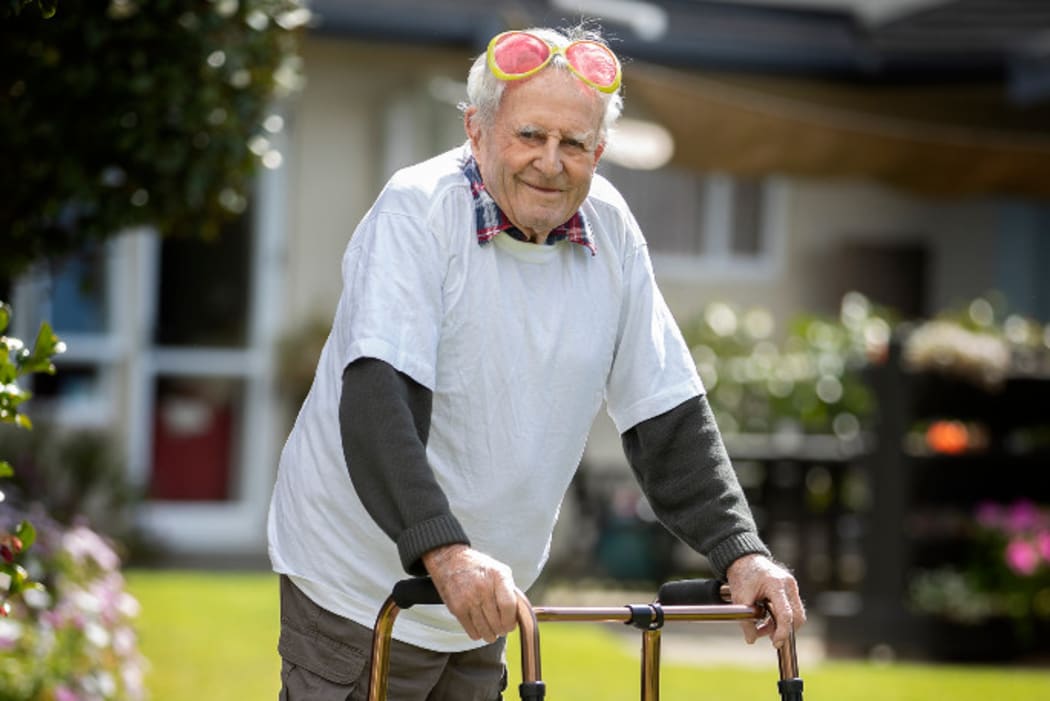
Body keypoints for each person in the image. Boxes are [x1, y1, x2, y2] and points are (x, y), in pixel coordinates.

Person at [268, 25, 805, 701]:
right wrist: (447, 553)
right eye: (529, 135)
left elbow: (666, 412)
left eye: (573, 143)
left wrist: (742, 551)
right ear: (477, 131)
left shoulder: (610, 230)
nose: (550, 162)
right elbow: (379, 403)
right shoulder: (419, 211)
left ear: (598, 151)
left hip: (488, 598)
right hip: (361, 586)